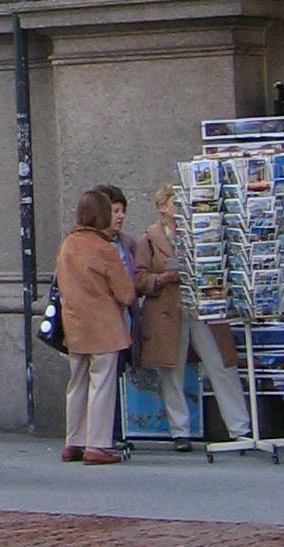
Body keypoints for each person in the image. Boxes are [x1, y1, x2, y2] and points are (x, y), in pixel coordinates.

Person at [136, 184, 249, 447]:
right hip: (168, 310)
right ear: (162, 207)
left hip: (202, 307)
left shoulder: (198, 230)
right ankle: (180, 431)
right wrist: (164, 278)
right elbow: (139, 279)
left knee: (221, 362)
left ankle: (239, 426)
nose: (180, 207)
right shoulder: (149, 239)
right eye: (175, 202)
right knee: (171, 371)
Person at [56, 188, 136, 464]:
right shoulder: (104, 248)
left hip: (74, 325)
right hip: (104, 327)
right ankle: (97, 444)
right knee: (101, 383)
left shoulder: (67, 244)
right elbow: (126, 293)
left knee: (76, 383)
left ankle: (73, 441)